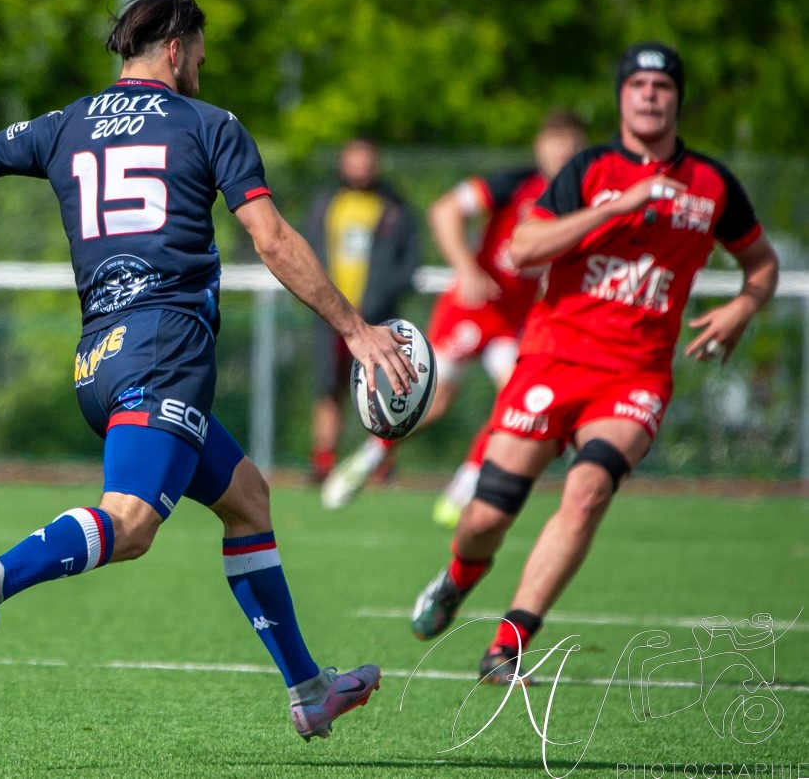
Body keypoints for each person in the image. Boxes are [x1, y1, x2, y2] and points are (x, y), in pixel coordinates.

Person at [0, 0, 418, 740]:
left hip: (99, 360)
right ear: (176, 49)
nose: (201, 67)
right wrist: (355, 329)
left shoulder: (66, 123)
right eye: (200, 54)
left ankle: (308, 688)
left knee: (247, 499)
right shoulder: (211, 124)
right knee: (130, 524)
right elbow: (270, 239)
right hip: (164, 350)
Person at [408, 43, 779, 684]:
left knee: (587, 495)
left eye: (662, 85)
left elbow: (762, 262)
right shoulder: (589, 168)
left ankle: (507, 645)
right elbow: (524, 247)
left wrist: (744, 307)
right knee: (485, 519)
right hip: (551, 362)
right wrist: (616, 205)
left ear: (677, 98)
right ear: (621, 97)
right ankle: (459, 577)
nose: (650, 95)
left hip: (636, 376)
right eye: (638, 84)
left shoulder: (713, 184)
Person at [320, 113, 586, 517]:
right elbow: (443, 210)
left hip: (513, 320)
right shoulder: (513, 183)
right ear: (539, 146)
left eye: (571, 142)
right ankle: (372, 454)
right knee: (435, 401)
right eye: (556, 140)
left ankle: (466, 483)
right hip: (472, 309)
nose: (563, 150)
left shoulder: (582, 198)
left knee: (517, 399)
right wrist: (467, 268)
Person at [306, 139, 418, 484]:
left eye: (367, 161)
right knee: (329, 387)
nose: (362, 168)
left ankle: (380, 462)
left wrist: (381, 297)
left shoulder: (395, 207)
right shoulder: (326, 203)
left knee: (385, 388)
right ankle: (323, 461)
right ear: (343, 164)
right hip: (331, 317)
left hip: (377, 318)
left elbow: (408, 264)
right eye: (355, 160)